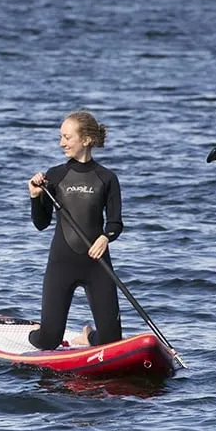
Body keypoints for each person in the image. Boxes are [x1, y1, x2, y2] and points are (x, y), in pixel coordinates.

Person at [26, 111, 124, 350]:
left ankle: (88, 337)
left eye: (67, 137)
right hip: (62, 263)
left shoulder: (107, 178)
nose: (62, 143)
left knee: (111, 341)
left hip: (97, 264)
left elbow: (115, 223)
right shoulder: (55, 176)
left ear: (87, 140)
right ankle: (31, 332)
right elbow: (41, 224)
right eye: (61, 137)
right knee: (49, 341)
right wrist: (35, 197)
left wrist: (105, 237)